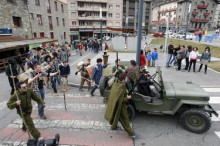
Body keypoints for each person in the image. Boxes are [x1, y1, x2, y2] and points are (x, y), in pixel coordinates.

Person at [104, 73, 139, 139]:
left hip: (115, 105)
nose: (127, 79)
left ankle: (113, 126)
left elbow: (116, 96)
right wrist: (127, 98)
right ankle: (132, 134)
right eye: (126, 78)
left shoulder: (116, 83)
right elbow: (121, 100)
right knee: (125, 121)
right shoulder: (122, 87)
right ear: (123, 80)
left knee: (115, 116)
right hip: (121, 106)